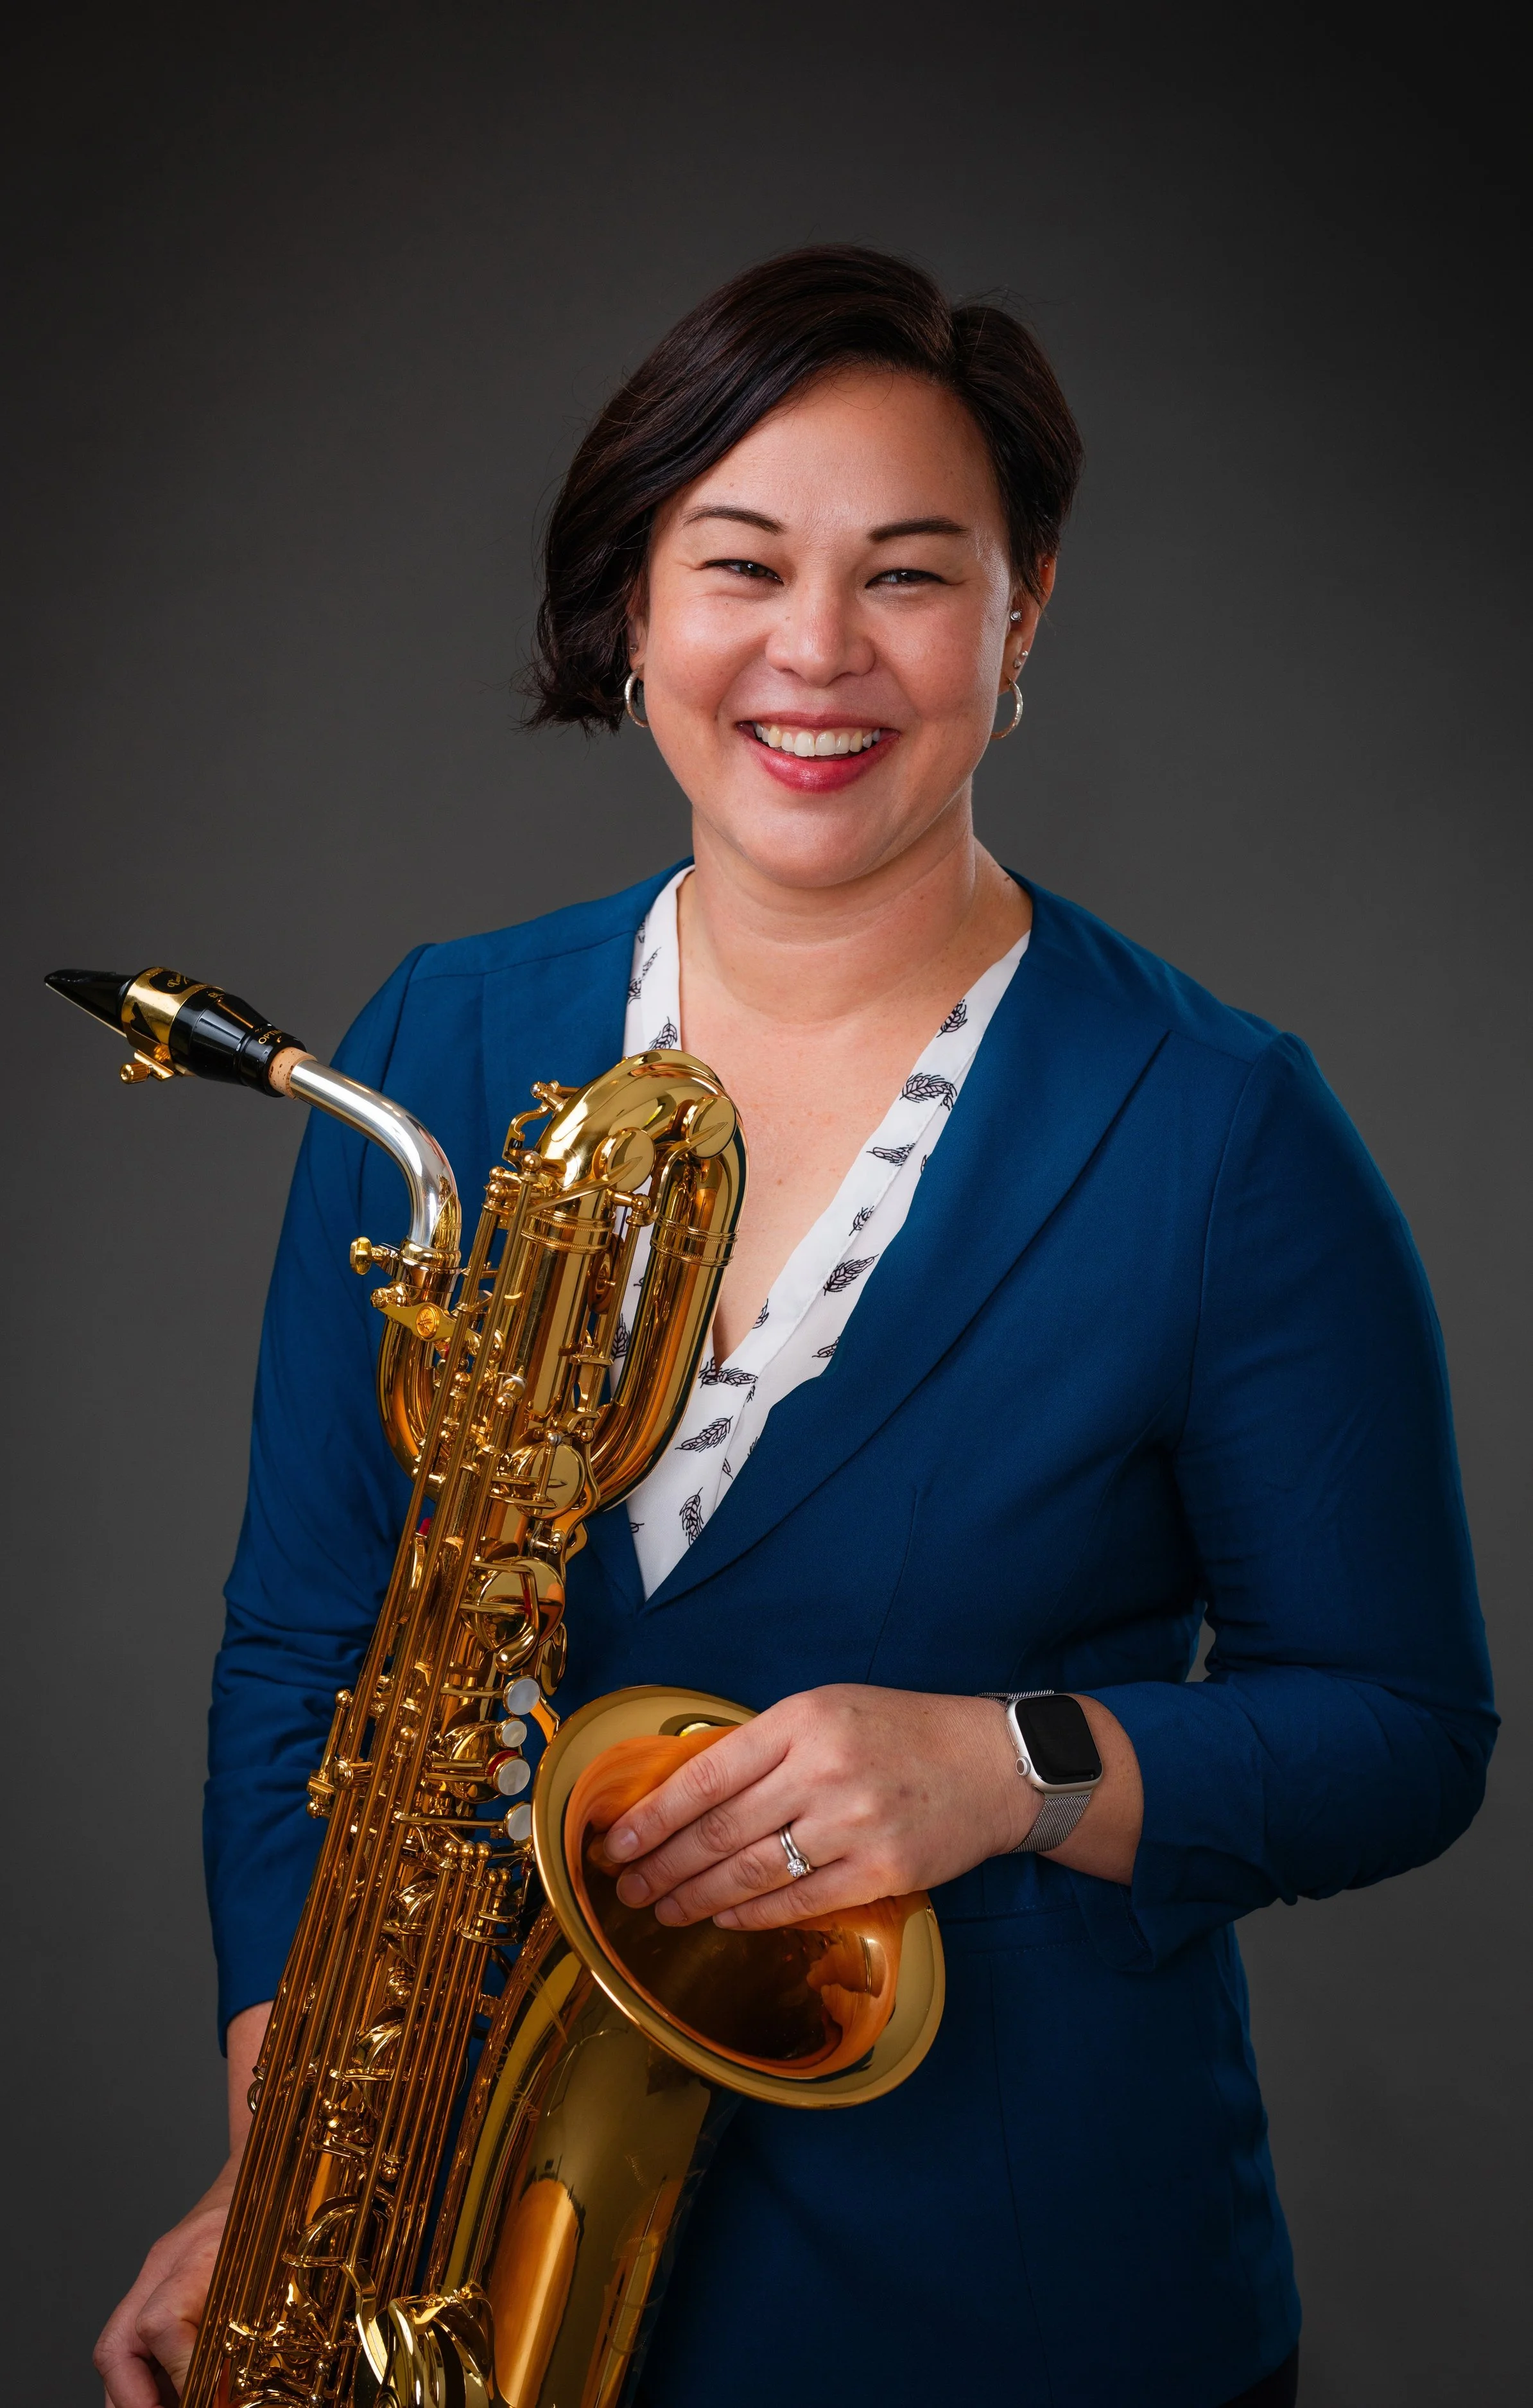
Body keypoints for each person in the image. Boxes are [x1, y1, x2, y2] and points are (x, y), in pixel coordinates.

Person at [95, 247, 1494, 2408]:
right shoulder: (436, 1042)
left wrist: (1007, 1766)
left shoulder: (1224, 1130)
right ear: (634, 608)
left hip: (1029, 2310)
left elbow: (1402, 1723)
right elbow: (308, 1644)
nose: (814, 652)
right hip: (471, 2272)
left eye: (910, 578)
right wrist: (293, 2169)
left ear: (1021, 619)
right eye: (737, 563)